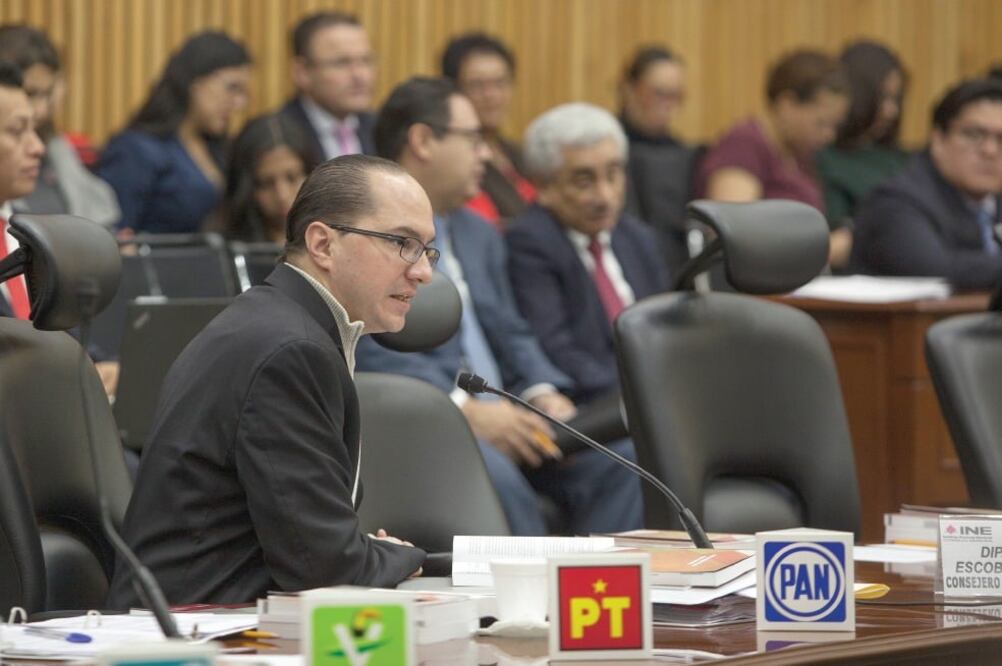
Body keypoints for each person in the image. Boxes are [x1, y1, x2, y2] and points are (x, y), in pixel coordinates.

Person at [107, 155, 431, 607]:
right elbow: (325, 569)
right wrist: (397, 557)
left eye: (426, 248)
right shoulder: (290, 350)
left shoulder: (277, 324)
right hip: (195, 634)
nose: (423, 271)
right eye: (401, 242)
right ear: (322, 245)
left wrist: (371, 554)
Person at [356, 76, 643, 536]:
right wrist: (465, 411)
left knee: (623, 463)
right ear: (424, 141)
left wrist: (540, 392)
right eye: (474, 140)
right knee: (493, 478)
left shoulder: (478, 233)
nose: (487, 154)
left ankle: (588, 597)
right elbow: (369, 345)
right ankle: (521, 610)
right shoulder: (372, 233)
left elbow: (511, 333)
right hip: (428, 422)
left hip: (512, 416)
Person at [507, 102, 669, 405]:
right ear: (544, 187)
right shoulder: (530, 243)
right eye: (584, 181)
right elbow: (557, 348)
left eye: (613, 175)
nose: (605, 196)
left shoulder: (637, 237)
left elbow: (666, 327)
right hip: (596, 404)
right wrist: (643, 393)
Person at [696, 49, 851, 268]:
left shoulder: (799, 156)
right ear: (787, 105)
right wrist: (828, 248)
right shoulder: (743, 145)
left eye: (835, 126)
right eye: (821, 123)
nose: (829, 135)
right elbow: (732, 235)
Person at [850, 79, 1002, 290]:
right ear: (938, 140)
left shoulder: (993, 201)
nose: (990, 151)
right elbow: (935, 270)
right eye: (974, 135)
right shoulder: (895, 202)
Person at [98, 31, 251, 234]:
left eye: (243, 93)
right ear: (195, 82)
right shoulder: (136, 149)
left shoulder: (219, 149)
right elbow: (114, 234)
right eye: (232, 88)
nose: (239, 103)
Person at [0, 25, 119, 227]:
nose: (41, 110)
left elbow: (100, 215)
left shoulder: (54, 145)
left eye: (47, 94)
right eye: (30, 93)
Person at [441, 32, 534, 227]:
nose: (491, 95)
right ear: (453, 89)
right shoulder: (452, 161)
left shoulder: (519, 152)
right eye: (477, 85)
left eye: (500, 83)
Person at [618, 45, 697, 270]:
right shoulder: (608, 151)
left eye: (676, 96)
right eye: (659, 93)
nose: (668, 105)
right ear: (629, 89)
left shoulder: (683, 154)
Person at [818, 41, 910, 228]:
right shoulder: (825, 160)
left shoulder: (901, 158)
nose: (891, 111)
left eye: (896, 99)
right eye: (882, 97)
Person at [280, 12, 377, 161]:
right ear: (302, 72)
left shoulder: (380, 130)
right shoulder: (279, 135)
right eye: (341, 63)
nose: (359, 75)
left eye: (365, 61)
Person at [222, 113, 319, 244]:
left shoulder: (334, 239)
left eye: (291, 178)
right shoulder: (222, 248)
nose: (282, 195)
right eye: (266, 183)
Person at [0, 62, 45, 320]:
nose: (37, 147)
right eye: (18, 131)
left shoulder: (38, 233)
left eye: (34, 129)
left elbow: (66, 335)